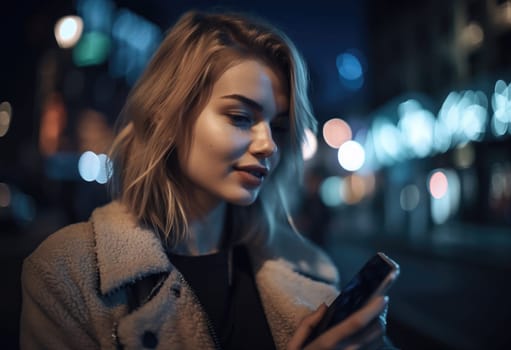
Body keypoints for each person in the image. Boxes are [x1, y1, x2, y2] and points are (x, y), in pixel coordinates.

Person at [20, 10, 391, 349]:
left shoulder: (311, 270)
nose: (268, 146)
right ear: (168, 116)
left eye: (277, 127)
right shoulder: (68, 274)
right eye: (241, 117)